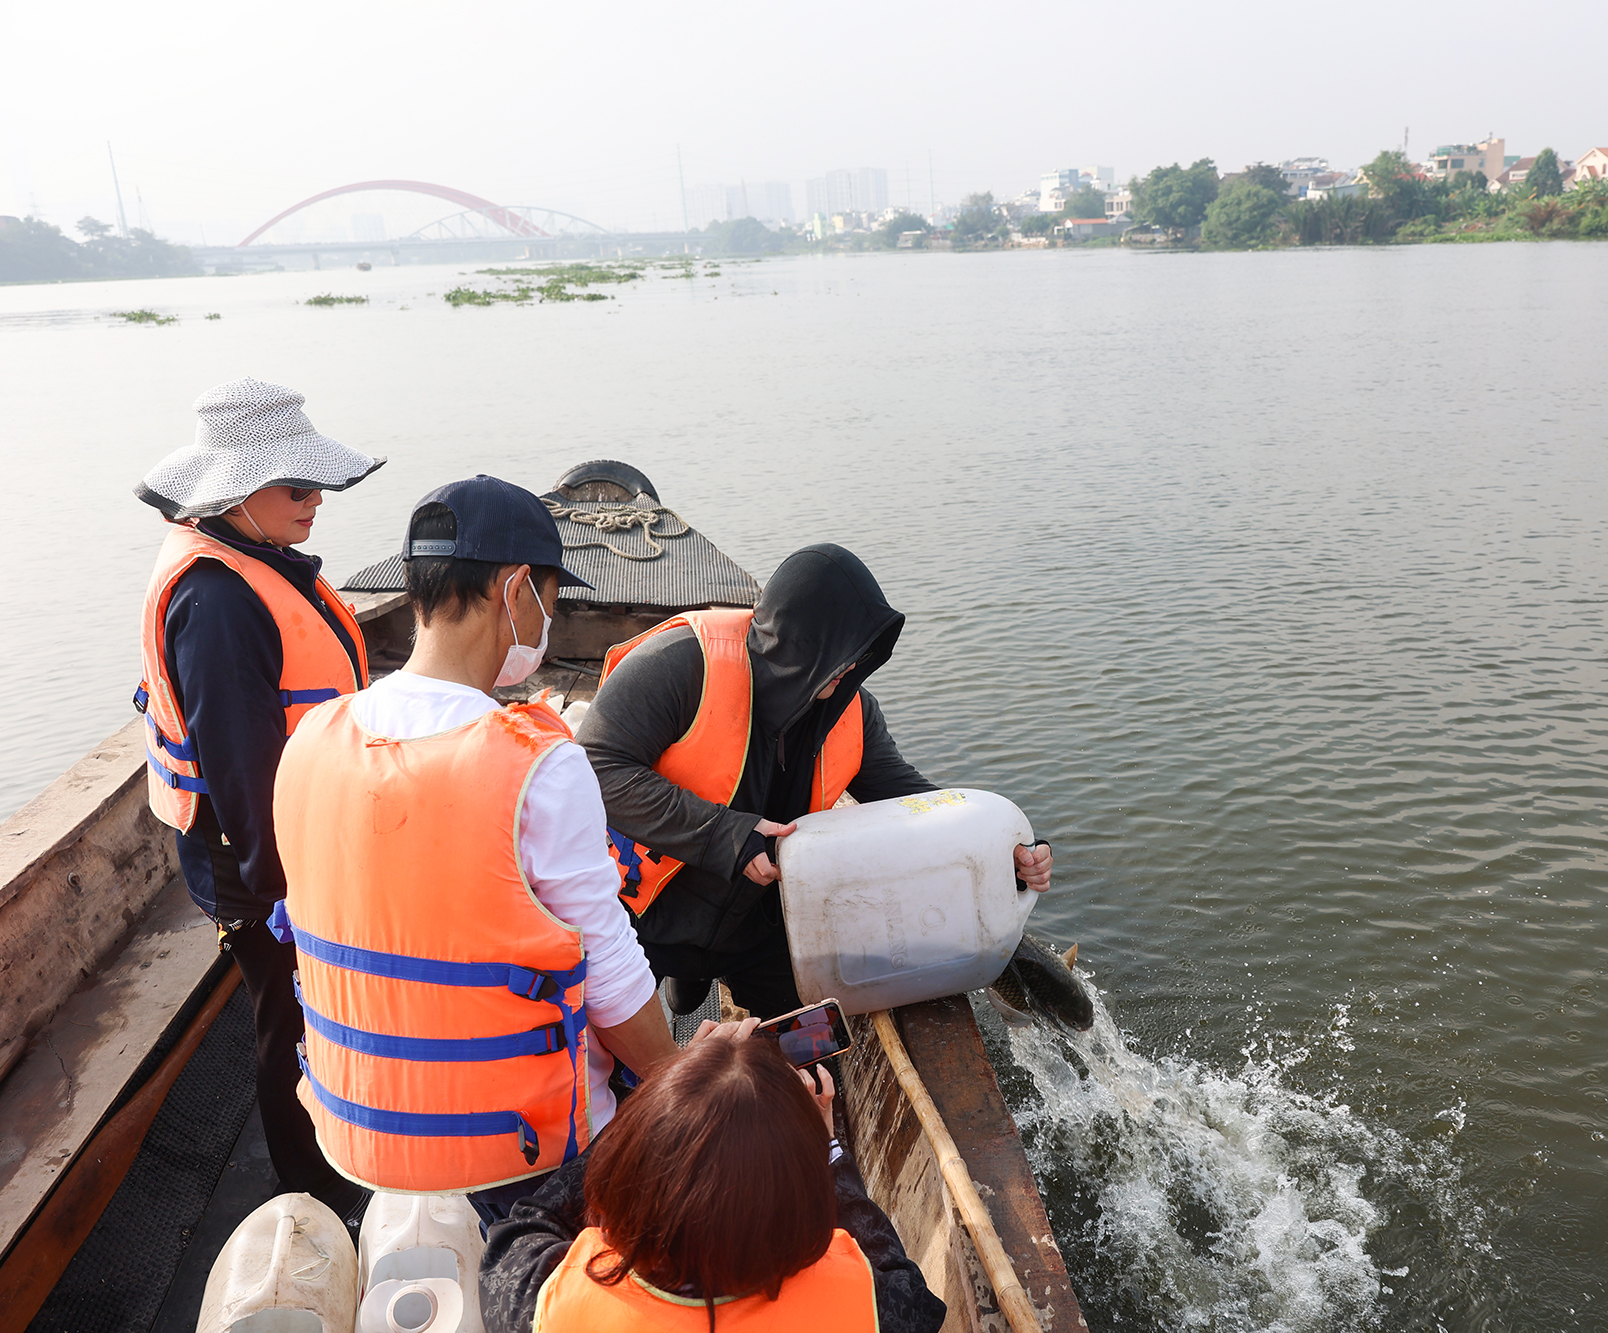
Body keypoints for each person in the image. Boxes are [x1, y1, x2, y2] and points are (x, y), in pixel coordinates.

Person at [271, 475, 686, 1231]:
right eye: (552, 598)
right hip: (524, 1160)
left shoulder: (310, 738)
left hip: (360, 1135)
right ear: (517, 588)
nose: (550, 619)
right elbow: (615, 982)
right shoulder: (537, 763)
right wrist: (680, 1083)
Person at [578, 543, 1054, 1019]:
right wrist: (729, 836)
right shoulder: (679, 664)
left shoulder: (853, 711)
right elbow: (596, 766)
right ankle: (688, 972)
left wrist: (999, 850)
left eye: (861, 654)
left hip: (762, 926)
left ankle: (709, 969)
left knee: (810, 1055)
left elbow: (909, 800)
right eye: (840, 652)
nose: (851, 668)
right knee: (613, 1062)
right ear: (799, 642)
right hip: (641, 912)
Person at [133, 376, 384, 1221]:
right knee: (289, 1016)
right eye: (299, 486)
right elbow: (242, 771)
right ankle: (311, 1189)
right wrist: (285, 891)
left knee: (312, 1005)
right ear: (237, 491)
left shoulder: (253, 562)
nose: (317, 502)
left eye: (319, 485)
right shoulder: (218, 603)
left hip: (295, 835)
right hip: (257, 859)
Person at [479, 1033, 947, 1333]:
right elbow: (906, 1284)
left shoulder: (546, 1303)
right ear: (804, 1205)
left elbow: (525, 1223)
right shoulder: (873, 1308)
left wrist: (662, 1104)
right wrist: (828, 1151)